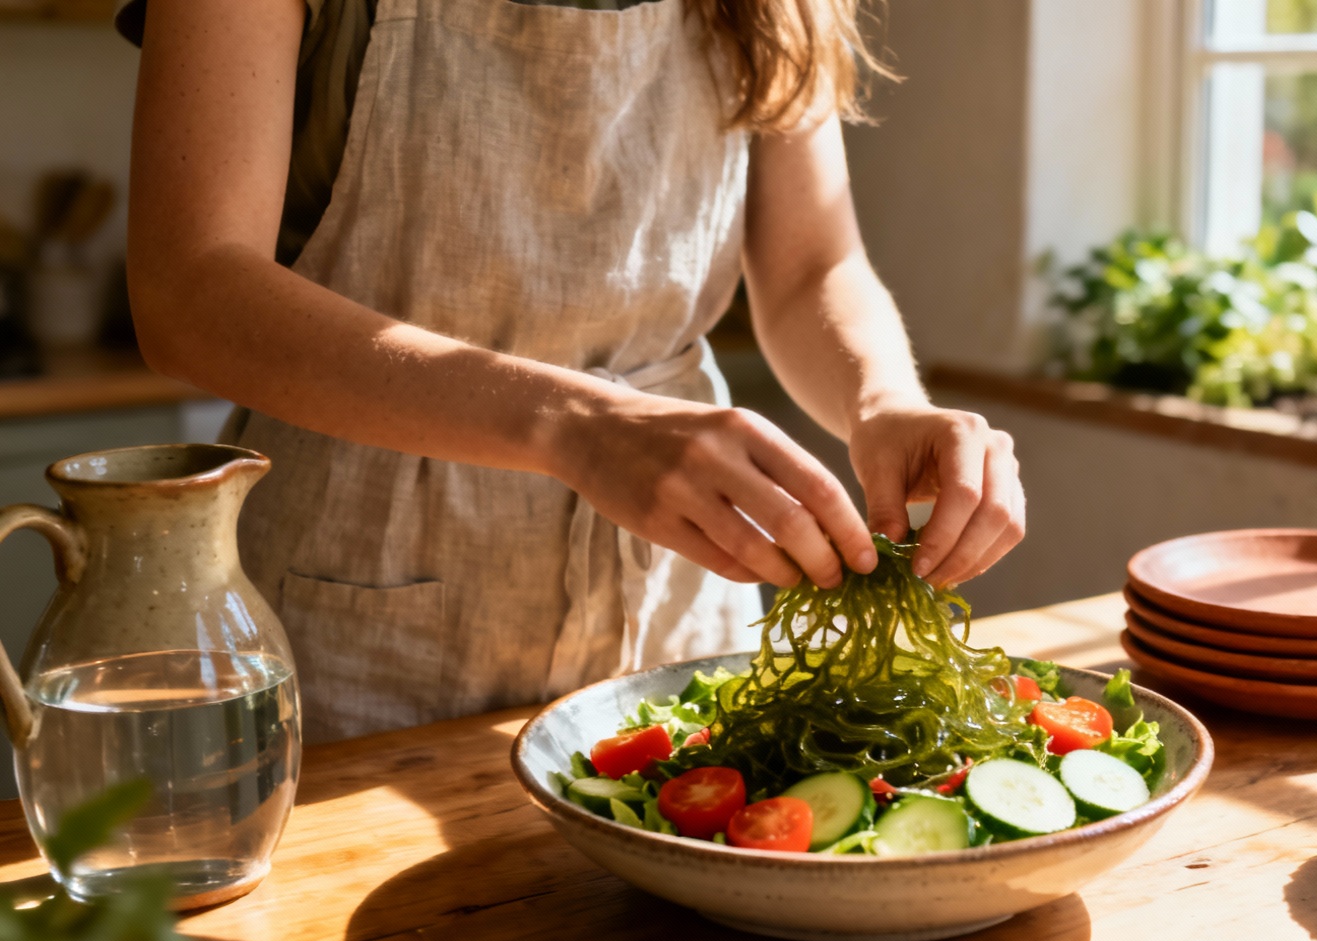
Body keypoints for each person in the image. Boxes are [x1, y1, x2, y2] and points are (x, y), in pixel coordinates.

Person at [119, 0, 1026, 741]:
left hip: (677, 591)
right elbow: (186, 292)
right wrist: (577, 425)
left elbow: (810, 266)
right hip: (351, 584)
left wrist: (884, 401)